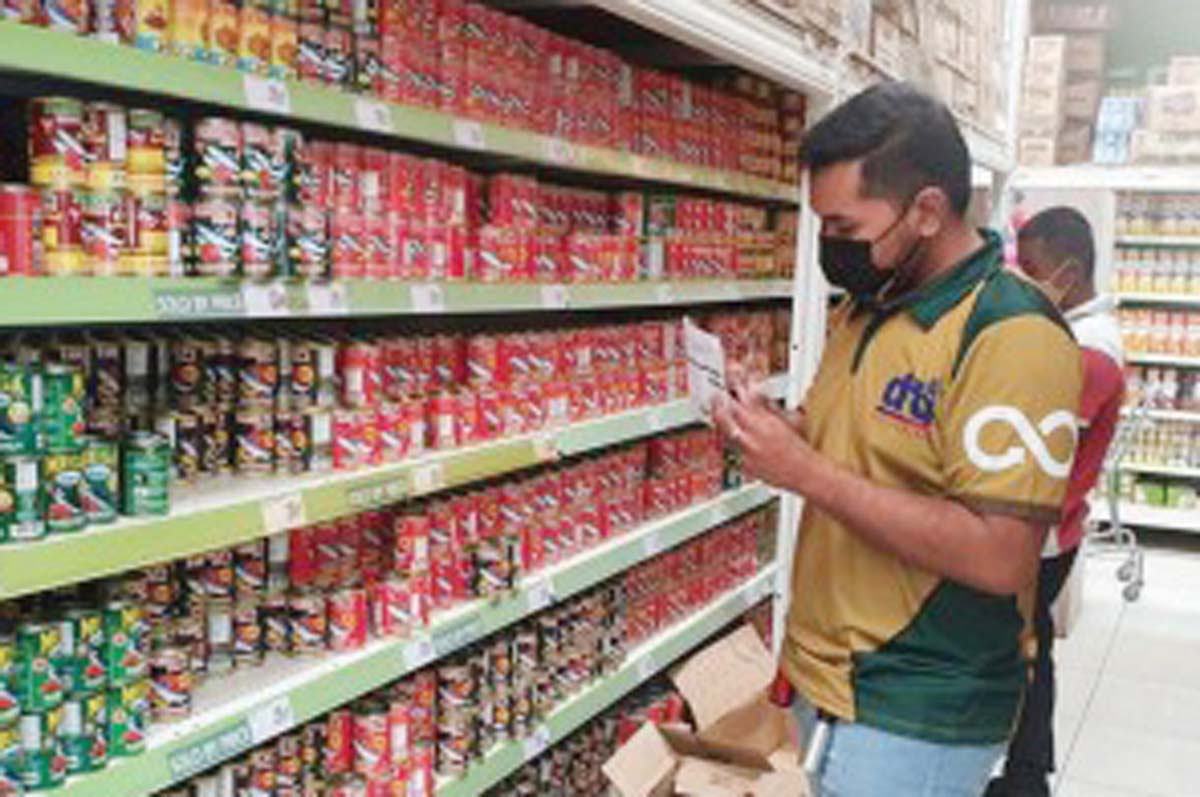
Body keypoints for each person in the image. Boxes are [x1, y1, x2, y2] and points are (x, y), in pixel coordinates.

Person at [712, 81, 1082, 797]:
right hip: (831, 676)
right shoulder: (868, 307)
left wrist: (805, 473)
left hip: (920, 702)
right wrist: (767, 428)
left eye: (846, 229)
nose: (830, 248)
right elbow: (844, 448)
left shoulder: (1012, 333)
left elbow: (1001, 552)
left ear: (927, 211)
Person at [985, 207, 1125, 797]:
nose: (1024, 279)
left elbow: (1040, 446)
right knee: (1026, 648)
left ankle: (1025, 779)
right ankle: (1022, 772)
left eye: (1033, 268)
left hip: (1043, 536)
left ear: (1068, 272)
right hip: (1047, 528)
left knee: (1025, 653)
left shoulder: (1090, 350)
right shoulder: (1074, 334)